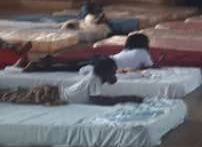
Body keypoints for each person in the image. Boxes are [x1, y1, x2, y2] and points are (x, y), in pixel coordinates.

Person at [0, 58, 142, 106]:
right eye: (112, 71)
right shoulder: (95, 80)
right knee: (14, 96)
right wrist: (127, 98)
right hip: (51, 95)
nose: (114, 74)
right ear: (104, 72)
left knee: (17, 93)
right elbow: (97, 100)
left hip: (53, 91)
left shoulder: (95, 75)